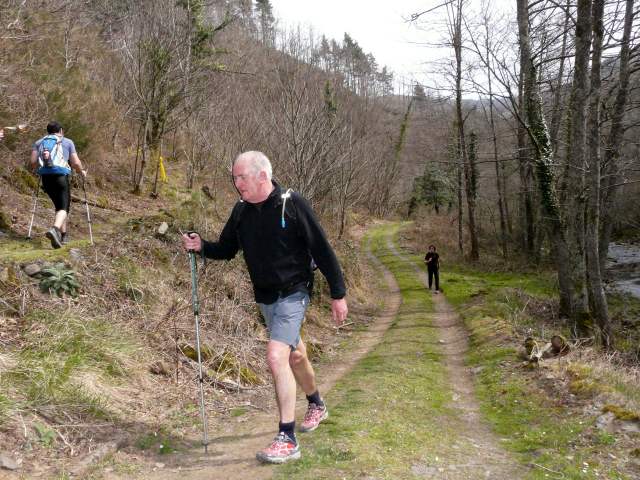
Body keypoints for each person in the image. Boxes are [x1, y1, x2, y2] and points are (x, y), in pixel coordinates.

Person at [182, 151, 348, 464]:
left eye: (241, 177)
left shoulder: (291, 204)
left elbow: (322, 249)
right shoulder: (241, 211)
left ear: (262, 176)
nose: (237, 183)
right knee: (294, 355)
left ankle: (287, 437)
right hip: (265, 297)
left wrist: (338, 294)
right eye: (234, 177)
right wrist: (201, 246)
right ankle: (316, 403)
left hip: (295, 292)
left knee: (275, 356)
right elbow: (227, 249)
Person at [30, 121, 86, 248]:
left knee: (59, 206)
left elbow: (33, 162)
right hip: (60, 177)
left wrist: (42, 167)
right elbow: (76, 163)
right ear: (61, 130)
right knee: (64, 208)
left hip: (46, 178)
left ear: (48, 131)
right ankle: (54, 229)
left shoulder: (39, 142)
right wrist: (81, 171)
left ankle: (63, 236)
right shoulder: (67, 142)